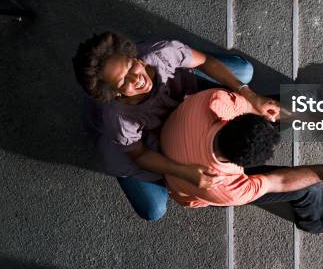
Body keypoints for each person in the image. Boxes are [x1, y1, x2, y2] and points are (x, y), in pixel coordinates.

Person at [72, 31, 279, 221]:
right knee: (153, 210)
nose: (137, 78)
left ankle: (186, 55)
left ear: (133, 56)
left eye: (130, 66)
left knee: (243, 72)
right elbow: (140, 155)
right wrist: (182, 172)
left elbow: (205, 61)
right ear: (116, 93)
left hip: (181, 96)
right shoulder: (119, 120)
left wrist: (250, 95)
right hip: (138, 143)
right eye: (123, 80)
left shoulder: (162, 52)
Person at [160, 87, 323, 235]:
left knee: (269, 107)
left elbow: (263, 110)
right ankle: (322, 222)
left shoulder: (214, 102)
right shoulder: (226, 187)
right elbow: (279, 182)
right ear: (247, 167)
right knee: (308, 188)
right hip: (200, 188)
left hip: (180, 138)